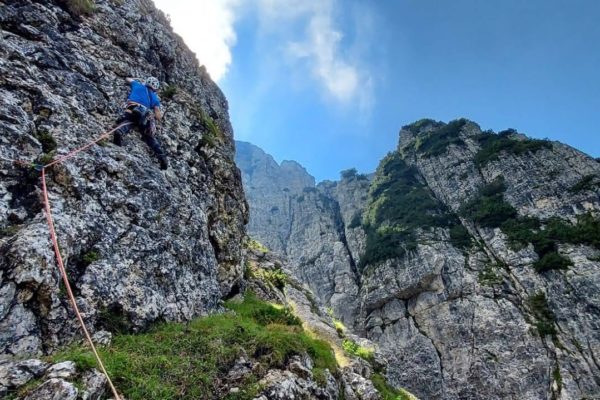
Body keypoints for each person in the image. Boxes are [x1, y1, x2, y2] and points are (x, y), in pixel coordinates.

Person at [113, 76, 168, 170]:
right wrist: (158, 116)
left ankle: (120, 131)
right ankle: (161, 156)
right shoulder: (155, 98)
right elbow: (158, 115)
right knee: (149, 136)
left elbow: (128, 79)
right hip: (144, 114)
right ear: (155, 88)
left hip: (132, 108)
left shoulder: (137, 85)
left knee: (129, 121)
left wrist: (136, 80)